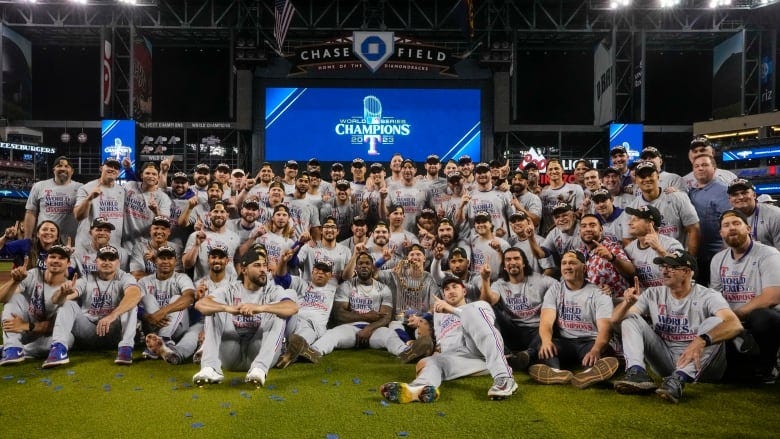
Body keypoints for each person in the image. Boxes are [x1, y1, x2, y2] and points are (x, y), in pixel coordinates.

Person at [611, 250, 743, 403]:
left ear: (686, 272)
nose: (665, 271)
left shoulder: (708, 295)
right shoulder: (653, 293)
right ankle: (637, 372)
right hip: (666, 361)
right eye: (663, 267)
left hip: (703, 365)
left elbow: (734, 324)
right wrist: (627, 304)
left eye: (671, 267)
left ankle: (679, 379)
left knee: (715, 322)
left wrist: (701, 340)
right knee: (629, 319)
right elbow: (614, 320)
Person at [379, 276, 518, 403]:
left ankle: (504, 377)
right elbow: (441, 339)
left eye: (454, 287)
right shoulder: (439, 315)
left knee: (469, 312)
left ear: (464, 291)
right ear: (443, 294)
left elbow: (486, 330)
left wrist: (451, 309)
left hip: (481, 352)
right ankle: (419, 388)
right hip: (463, 359)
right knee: (430, 362)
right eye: (446, 289)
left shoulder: (479, 305)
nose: (450, 291)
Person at [191, 246, 298, 387]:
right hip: (231, 354)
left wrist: (260, 308)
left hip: (259, 351)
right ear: (244, 270)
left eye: (265, 265)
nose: (263, 269)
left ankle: (259, 369)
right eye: (257, 265)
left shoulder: (272, 290)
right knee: (213, 310)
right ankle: (210, 368)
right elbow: (201, 304)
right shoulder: (231, 288)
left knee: (278, 312)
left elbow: (293, 307)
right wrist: (227, 308)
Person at [528, 250, 619, 389]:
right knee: (544, 345)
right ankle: (556, 372)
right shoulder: (555, 290)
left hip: (590, 341)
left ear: (584, 268)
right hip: (566, 342)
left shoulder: (599, 293)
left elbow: (605, 328)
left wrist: (596, 350)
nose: (567, 266)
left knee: (602, 354)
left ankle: (589, 373)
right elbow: (546, 321)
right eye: (564, 263)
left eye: (572, 263)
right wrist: (546, 342)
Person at [42, 245, 142, 368]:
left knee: (130, 305)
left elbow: (135, 294)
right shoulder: (86, 278)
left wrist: (112, 316)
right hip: (88, 332)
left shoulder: (125, 277)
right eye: (103, 259)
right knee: (67, 304)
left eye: (111, 259)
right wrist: (61, 294)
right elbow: (56, 300)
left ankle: (126, 348)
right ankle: (58, 349)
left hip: (114, 332)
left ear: (118, 262)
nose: (107, 262)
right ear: (96, 261)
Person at [709, 209, 780, 383]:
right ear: (721, 233)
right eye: (726, 225)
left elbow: (772, 297)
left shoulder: (768, 254)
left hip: (760, 317)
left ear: (748, 228)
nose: (731, 228)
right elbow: (715, 296)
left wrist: (737, 314)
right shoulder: (718, 259)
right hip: (733, 319)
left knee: (764, 317)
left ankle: (769, 367)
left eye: (736, 223)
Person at [480, 247, 558, 370]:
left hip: (536, 331)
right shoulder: (499, 284)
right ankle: (507, 354)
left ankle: (527, 355)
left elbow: (562, 287)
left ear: (524, 263)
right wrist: (485, 280)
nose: (512, 262)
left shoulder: (540, 280)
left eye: (516, 258)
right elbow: (488, 300)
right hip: (512, 330)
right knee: (486, 308)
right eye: (508, 259)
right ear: (504, 266)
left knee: (549, 322)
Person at [308, 252, 394, 358]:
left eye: (367, 263)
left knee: (391, 336)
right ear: (356, 268)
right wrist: (367, 316)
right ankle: (312, 352)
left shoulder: (383, 288)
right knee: (332, 334)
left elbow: (386, 317)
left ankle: (407, 352)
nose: (364, 266)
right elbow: (339, 314)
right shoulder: (346, 286)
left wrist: (369, 328)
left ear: (372, 267)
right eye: (360, 263)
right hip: (350, 328)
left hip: (375, 330)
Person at [0, 245, 73, 365]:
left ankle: (16, 350)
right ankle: (12, 348)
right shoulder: (34, 274)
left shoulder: (68, 289)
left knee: (68, 339)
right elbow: (2, 298)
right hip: (20, 330)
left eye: (61, 258)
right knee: (13, 296)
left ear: (68, 263)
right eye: (52, 257)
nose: (55, 260)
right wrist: (15, 281)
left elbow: (55, 326)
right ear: (46, 261)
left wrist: (26, 325)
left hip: (43, 335)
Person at [137, 246, 198, 364]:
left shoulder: (181, 278)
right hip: (152, 324)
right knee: (147, 298)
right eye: (162, 258)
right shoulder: (143, 281)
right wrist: (146, 316)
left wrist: (163, 312)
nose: (165, 261)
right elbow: (133, 305)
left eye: (169, 258)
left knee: (178, 299)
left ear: (175, 261)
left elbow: (190, 297)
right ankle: (162, 344)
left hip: (178, 328)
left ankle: (163, 340)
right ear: (155, 261)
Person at [623, 161, 700, 255]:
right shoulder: (632, 207)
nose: (647, 179)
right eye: (642, 176)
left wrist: (690, 259)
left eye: (650, 175)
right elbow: (627, 239)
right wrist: (640, 259)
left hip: (676, 259)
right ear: (636, 180)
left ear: (658, 177)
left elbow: (693, 229)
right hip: (649, 262)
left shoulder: (678, 198)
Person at [274, 256, 337, 368]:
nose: (320, 273)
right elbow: (281, 278)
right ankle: (301, 350)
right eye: (317, 269)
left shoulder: (335, 289)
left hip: (313, 326)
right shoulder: (301, 283)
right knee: (288, 292)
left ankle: (287, 354)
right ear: (312, 271)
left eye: (325, 271)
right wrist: (283, 262)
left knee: (298, 338)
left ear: (331, 275)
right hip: (294, 318)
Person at [688, 154, 731, 284]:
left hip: (716, 254)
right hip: (697, 254)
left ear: (714, 168)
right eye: (697, 166)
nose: (700, 168)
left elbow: (729, 223)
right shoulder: (691, 191)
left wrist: (725, 253)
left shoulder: (723, 190)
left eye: (705, 165)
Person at [24, 155, 82, 243]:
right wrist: (27, 239)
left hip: (71, 240)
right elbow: (31, 212)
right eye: (59, 166)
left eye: (67, 166)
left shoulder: (80, 188)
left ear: (72, 171)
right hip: (45, 237)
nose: (63, 168)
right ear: (54, 169)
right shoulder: (39, 186)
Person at [622, 205, 683, 288]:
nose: (629, 223)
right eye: (630, 219)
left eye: (635, 219)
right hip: (644, 298)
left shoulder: (671, 244)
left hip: (669, 295)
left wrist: (659, 249)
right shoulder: (628, 250)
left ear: (650, 224)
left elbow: (682, 273)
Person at [577, 214, 635, 299]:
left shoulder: (612, 247)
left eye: (592, 225)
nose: (588, 229)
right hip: (591, 303)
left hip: (618, 302)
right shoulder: (578, 253)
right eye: (584, 226)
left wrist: (612, 258)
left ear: (601, 229)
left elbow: (631, 271)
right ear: (580, 231)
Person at [73, 157, 126, 249]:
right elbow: (78, 216)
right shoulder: (86, 188)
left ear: (118, 172)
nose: (112, 169)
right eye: (109, 166)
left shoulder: (122, 191)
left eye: (116, 168)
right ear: (101, 168)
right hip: (88, 245)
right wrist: (89, 199)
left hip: (112, 245)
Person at [727, 178, 780, 249]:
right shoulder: (726, 219)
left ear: (754, 195)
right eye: (735, 194)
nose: (740, 197)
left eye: (744, 193)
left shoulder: (775, 214)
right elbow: (728, 250)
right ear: (729, 199)